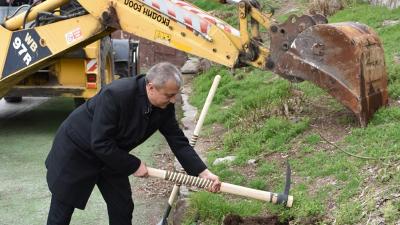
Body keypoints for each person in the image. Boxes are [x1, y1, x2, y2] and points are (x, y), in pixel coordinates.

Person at [45, 62, 221, 225]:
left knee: (122, 207)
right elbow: (100, 142)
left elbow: (178, 141)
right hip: (78, 151)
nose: (173, 100)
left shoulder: (164, 106)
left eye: (175, 94)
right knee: (62, 209)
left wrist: (202, 172)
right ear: (151, 87)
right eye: (169, 95)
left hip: (113, 155)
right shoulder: (116, 94)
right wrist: (134, 165)